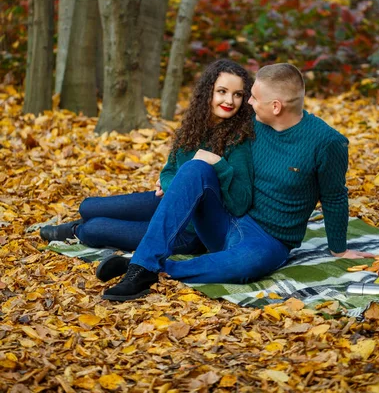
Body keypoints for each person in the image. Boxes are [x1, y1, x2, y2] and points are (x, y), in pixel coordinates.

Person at [101, 62, 371, 302]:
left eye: (253, 97)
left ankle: (150, 267)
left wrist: (339, 249)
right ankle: (142, 267)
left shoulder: (327, 143)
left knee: (245, 267)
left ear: (276, 106)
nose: (248, 103)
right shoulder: (254, 123)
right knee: (196, 168)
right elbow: (199, 143)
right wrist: (172, 178)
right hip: (227, 218)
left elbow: (335, 196)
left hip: (269, 241)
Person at [40, 59, 255, 279]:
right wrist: (174, 187)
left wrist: (217, 164)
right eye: (222, 91)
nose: (229, 100)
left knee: (94, 229)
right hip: (166, 201)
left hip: (186, 230)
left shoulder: (239, 138)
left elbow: (240, 201)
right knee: (88, 207)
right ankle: (85, 222)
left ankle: (77, 230)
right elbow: (168, 171)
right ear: (208, 91)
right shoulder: (194, 126)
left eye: (237, 94)